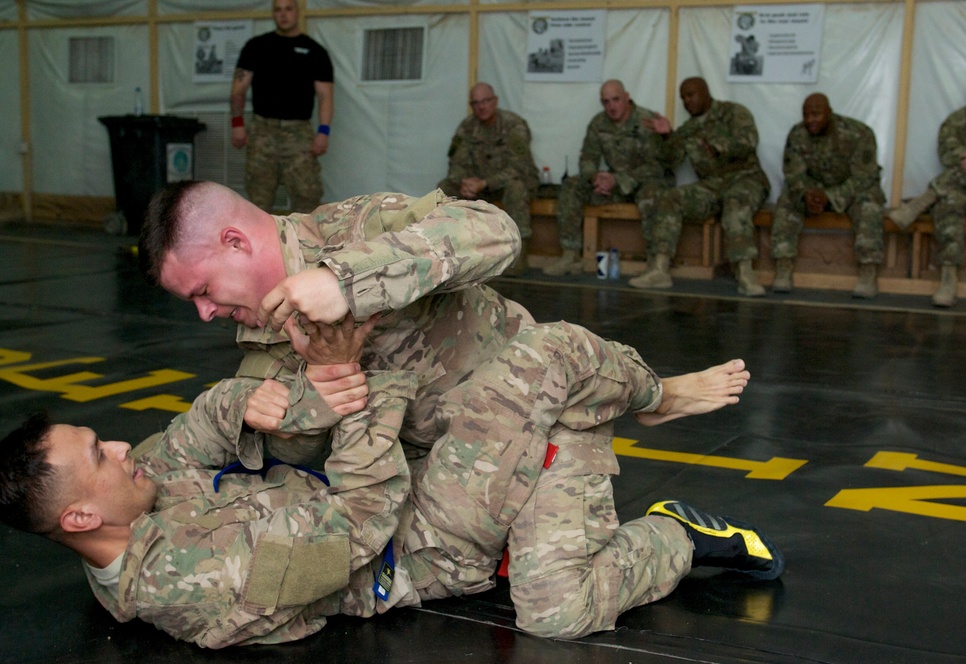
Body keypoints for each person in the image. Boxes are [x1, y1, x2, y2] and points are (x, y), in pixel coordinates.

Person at [0, 312, 783, 648]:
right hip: (419, 542)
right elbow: (358, 526)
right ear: (76, 519)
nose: (117, 445)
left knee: (455, 369)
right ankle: (669, 511)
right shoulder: (198, 582)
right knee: (558, 609)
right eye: (97, 455)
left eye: (97, 435)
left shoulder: (129, 496)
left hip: (392, 482)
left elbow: (187, 438)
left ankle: (610, 413)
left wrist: (249, 403)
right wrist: (368, 392)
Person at [140, 180, 535, 468]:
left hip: (531, 406)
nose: (204, 313)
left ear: (236, 242)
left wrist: (344, 282)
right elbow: (293, 454)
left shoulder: (355, 228)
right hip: (450, 463)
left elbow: (495, 232)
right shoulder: (264, 336)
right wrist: (315, 395)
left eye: (203, 290)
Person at [642, 77, 770, 296]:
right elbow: (669, 160)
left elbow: (749, 141)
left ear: (706, 92)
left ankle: (745, 273)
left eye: (691, 95)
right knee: (671, 197)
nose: (687, 101)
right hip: (712, 186)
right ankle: (660, 269)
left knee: (735, 202)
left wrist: (718, 146)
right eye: (683, 98)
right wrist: (667, 136)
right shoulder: (688, 129)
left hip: (745, 179)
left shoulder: (733, 112)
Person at [887, 66, 966, 307]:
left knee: (963, 171)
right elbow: (946, 152)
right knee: (950, 200)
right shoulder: (957, 120)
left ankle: (921, 202)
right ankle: (948, 279)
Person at [544, 80, 675, 280]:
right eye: (606, 102)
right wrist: (596, 177)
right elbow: (587, 157)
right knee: (571, 186)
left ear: (627, 97)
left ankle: (656, 265)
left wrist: (619, 179)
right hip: (612, 184)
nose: (612, 107)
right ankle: (571, 255)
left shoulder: (647, 121)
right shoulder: (599, 123)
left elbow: (656, 167)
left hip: (644, 181)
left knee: (654, 195)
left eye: (616, 100)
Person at [770, 93, 887, 298]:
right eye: (806, 115)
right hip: (814, 190)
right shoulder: (797, 134)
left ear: (829, 113)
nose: (810, 121)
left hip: (850, 190)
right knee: (787, 199)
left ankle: (868, 273)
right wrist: (806, 194)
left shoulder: (858, 133)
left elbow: (864, 176)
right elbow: (793, 173)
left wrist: (831, 196)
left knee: (870, 204)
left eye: (816, 114)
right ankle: (783, 267)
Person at [230, 0, 333, 213]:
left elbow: (325, 96)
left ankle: (303, 244)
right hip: (262, 132)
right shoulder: (256, 47)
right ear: (273, 14)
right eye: (278, 10)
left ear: (298, 11)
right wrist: (237, 124)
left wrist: (323, 132)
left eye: (288, 9)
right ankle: (260, 244)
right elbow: (238, 90)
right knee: (258, 198)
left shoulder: (315, 52)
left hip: (298, 134)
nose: (283, 14)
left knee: (308, 195)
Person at [437, 82, 540, 276]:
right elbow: (455, 164)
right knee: (444, 187)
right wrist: (464, 182)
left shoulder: (513, 125)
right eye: (475, 103)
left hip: (508, 182)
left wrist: (485, 183)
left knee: (517, 188)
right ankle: (450, 249)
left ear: (495, 101)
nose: (481, 107)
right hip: (478, 184)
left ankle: (518, 253)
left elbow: (519, 167)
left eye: (485, 101)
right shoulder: (467, 127)